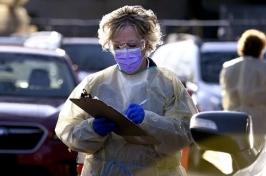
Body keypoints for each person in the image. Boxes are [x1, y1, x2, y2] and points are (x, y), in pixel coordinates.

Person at [55, 5, 198, 176]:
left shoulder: (167, 84)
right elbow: (67, 130)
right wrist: (92, 129)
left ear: (147, 43)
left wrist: (148, 120)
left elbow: (184, 133)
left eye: (132, 45)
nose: (125, 51)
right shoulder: (95, 83)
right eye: (117, 46)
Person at [220, 29, 266, 151]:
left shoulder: (228, 67)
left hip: (234, 119)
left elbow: (226, 98)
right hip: (260, 122)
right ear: (261, 48)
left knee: (237, 156)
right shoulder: (263, 68)